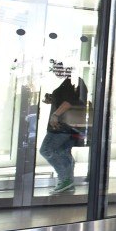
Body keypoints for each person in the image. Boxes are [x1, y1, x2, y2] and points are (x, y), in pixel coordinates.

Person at [40, 62, 89, 194]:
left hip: (62, 126)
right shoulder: (73, 82)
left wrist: (55, 114)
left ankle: (65, 179)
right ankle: (68, 183)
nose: (55, 70)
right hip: (70, 126)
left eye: (57, 67)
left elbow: (69, 102)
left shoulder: (70, 82)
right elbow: (70, 100)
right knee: (63, 152)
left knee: (46, 150)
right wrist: (52, 99)